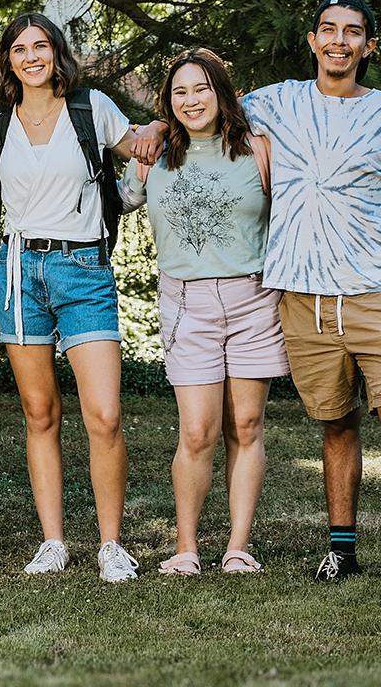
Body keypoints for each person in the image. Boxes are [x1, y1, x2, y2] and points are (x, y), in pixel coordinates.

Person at [241, 0, 381, 594]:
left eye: (352, 32)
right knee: (335, 423)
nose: (338, 40)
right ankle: (343, 549)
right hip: (302, 293)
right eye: (328, 30)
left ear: (368, 46)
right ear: (312, 40)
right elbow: (206, 96)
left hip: (374, 289)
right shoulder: (275, 102)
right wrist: (150, 126)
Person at [0, 12, 158, 583]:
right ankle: (53, 542)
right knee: (40, 412)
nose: (32, 57)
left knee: (104, 414)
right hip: (18, 270)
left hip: (83, 268)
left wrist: (134, 191)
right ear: (8, 59)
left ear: (57, 53)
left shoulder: (91, 107)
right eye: (20, 48)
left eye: (42, 46)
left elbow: (142, 154)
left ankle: (110, 543)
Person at [118, 47, 288, 576]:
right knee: (197, 431)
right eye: (180, 92)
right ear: (168, 101)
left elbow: (302, 203)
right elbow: (120, 202)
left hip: (254, 299)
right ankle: (186, 547)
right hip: (186, 302)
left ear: (221, 92)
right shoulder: (155, 153)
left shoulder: (260, 150)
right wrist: (144, 133)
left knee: (247, 423)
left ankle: (238, 546)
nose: (192, 101)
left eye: (202, 88)